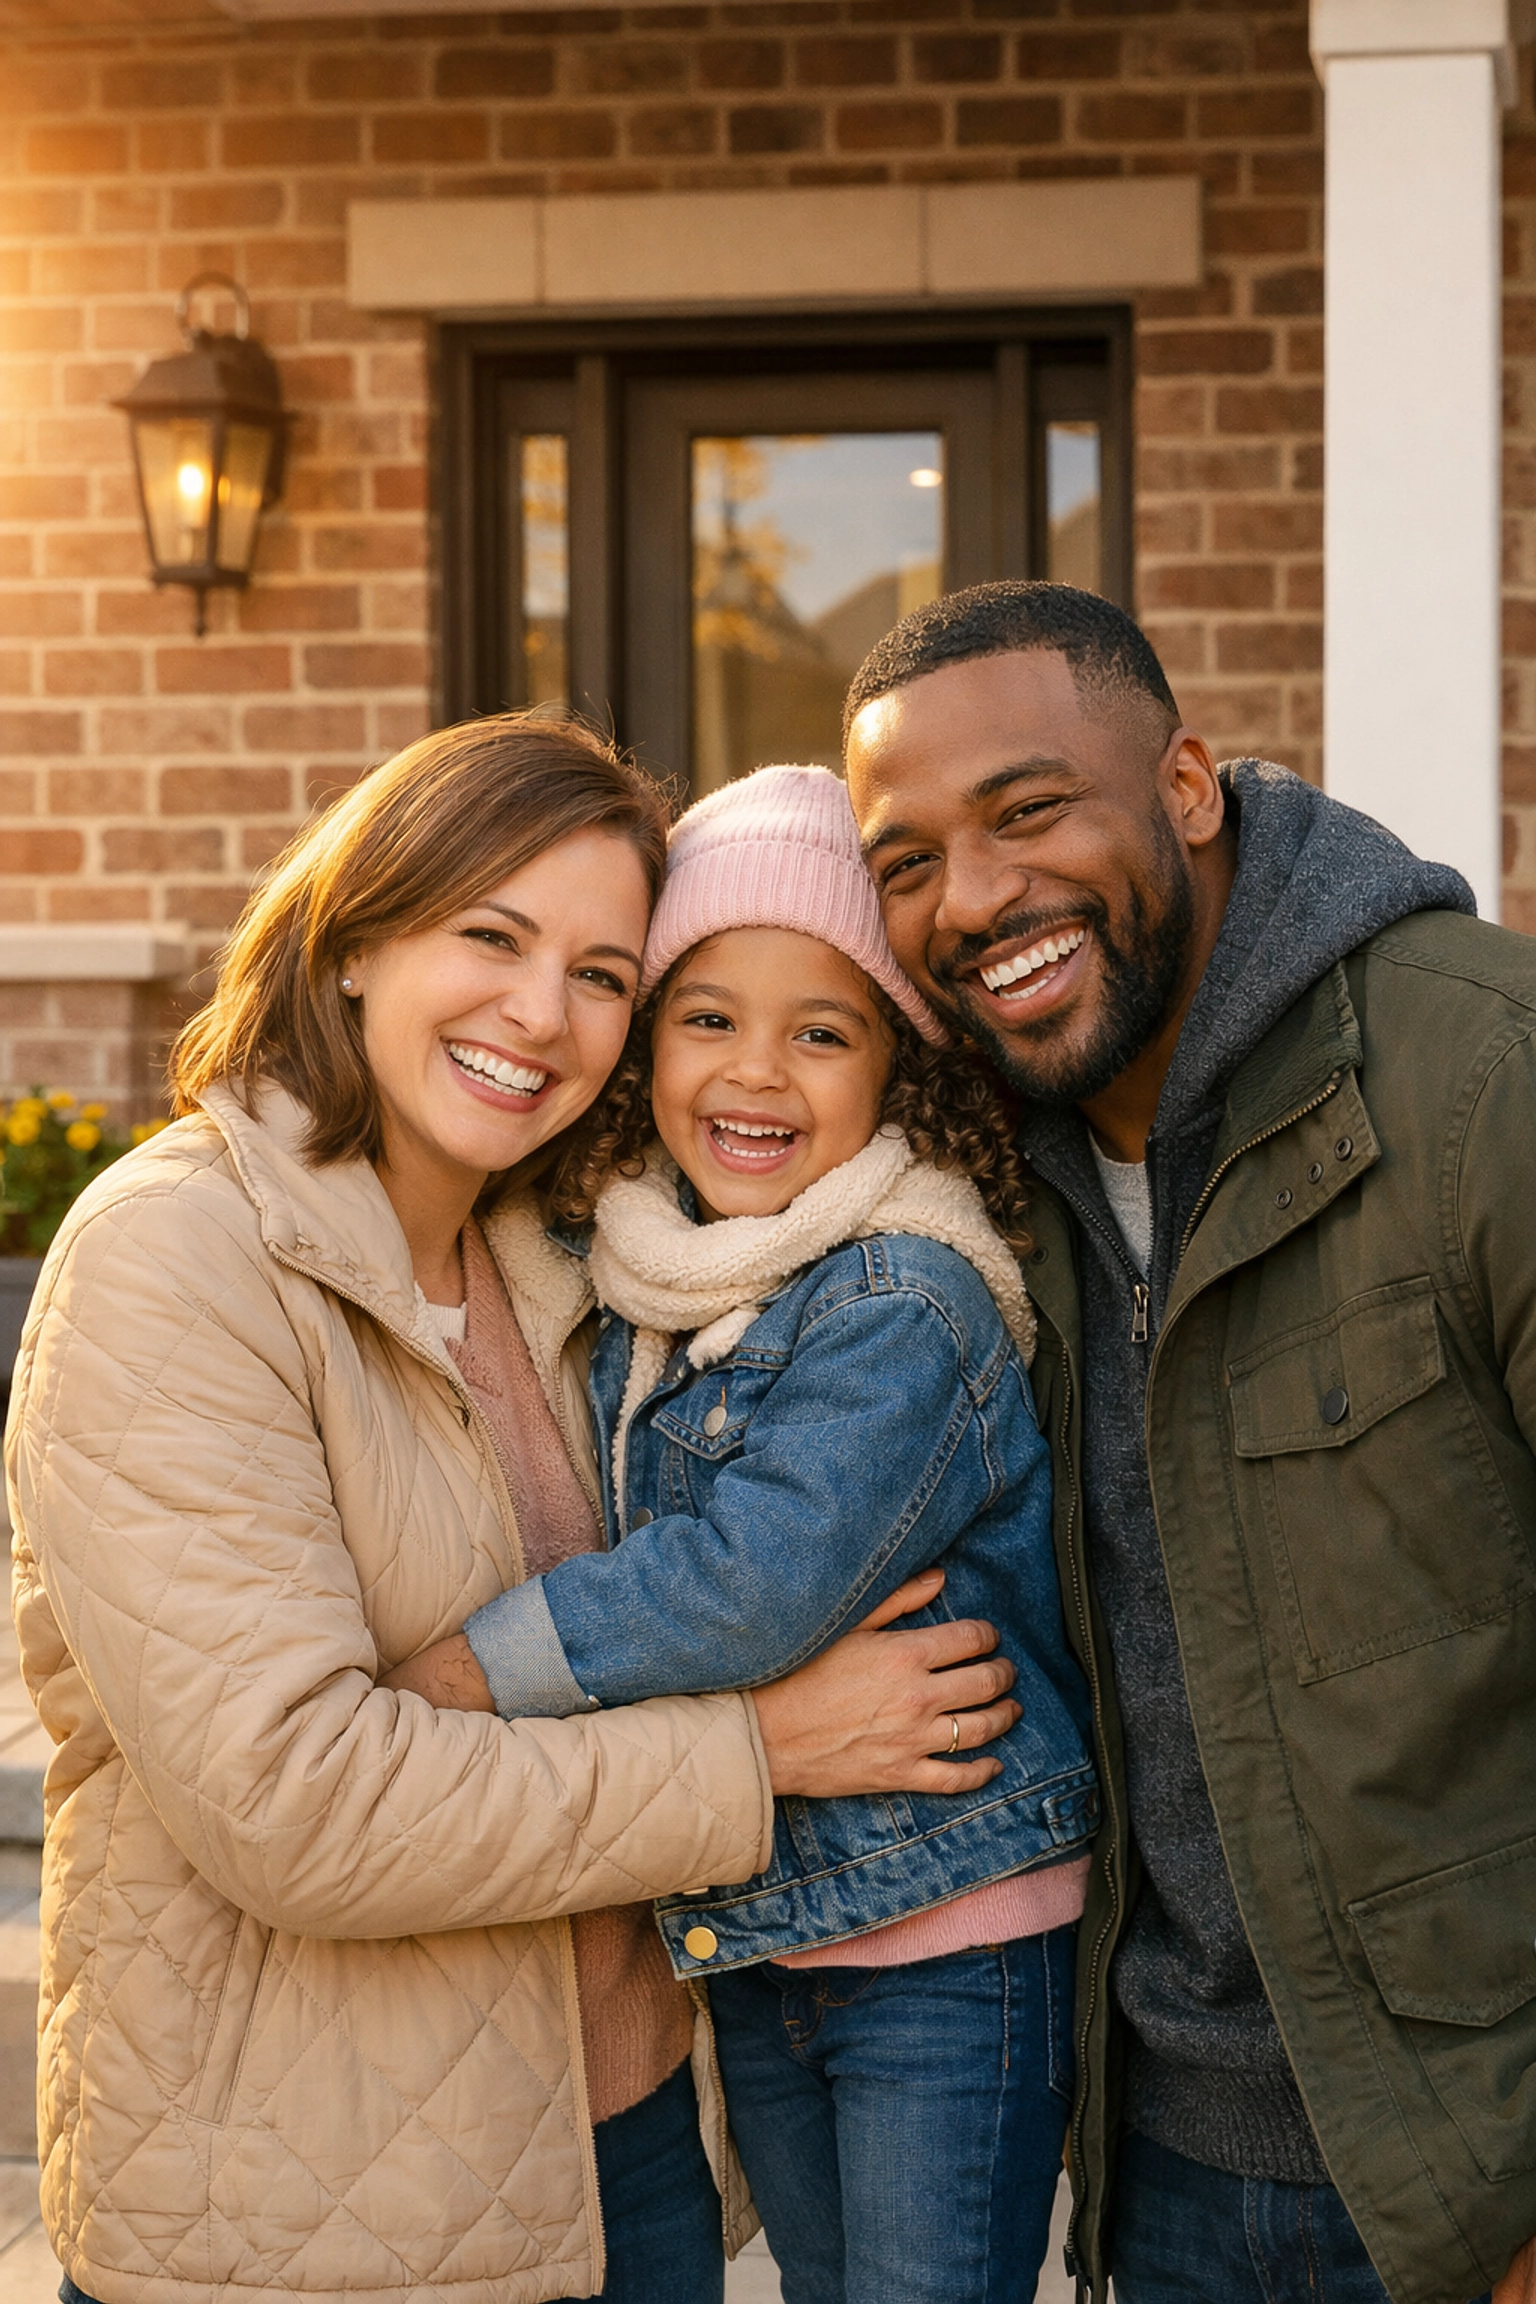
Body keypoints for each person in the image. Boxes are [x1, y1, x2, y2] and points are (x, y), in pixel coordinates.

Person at [5, 715, 1021, 2304]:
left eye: (605, 973)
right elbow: (299, 1806)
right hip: (318, 2217)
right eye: (492, 935)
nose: (542, 1014)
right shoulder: (178, 1260)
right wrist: (760, 1754)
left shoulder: (578, 1265)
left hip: (620, 2165)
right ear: (352, 943)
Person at [840, 580, 1533, 2304]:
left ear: (1191, 785)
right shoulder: (986, 1192)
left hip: (1475, 2173)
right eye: (906, 860)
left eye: (1028, 810)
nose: (974, 898)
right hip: (1163, 2177)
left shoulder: (1477, 1072)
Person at [397, 764, 1097, 2304]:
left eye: (821, 1030)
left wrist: (476, 1669)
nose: (754, 1072)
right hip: (764, 1936)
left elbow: (749, 1586)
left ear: (898, 1074)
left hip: (945, 1931)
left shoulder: (903, 1297)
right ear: (644, 1046)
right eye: (707, 1017)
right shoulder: (653, 1270)